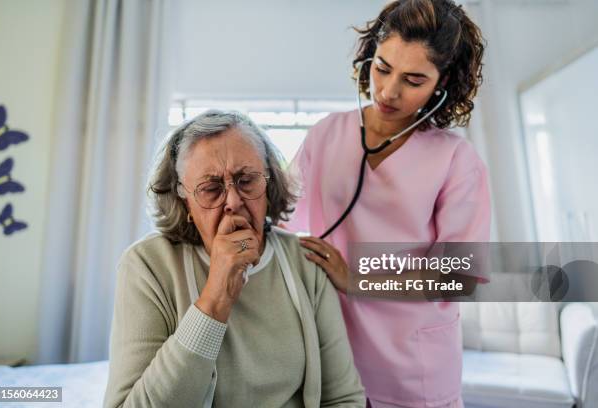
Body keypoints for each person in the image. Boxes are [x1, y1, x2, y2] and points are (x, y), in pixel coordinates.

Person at [286, 1, 490, 407]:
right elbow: (280, 218)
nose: (388, 91)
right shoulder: (327, 135)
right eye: (382, 68)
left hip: (414, 368)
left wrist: (356, 279)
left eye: (414, 80)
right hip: (335, 358)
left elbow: (458, 278)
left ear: (442, 81)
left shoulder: (456, 160)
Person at [103, 110, 365, 407]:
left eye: (246, 181)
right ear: (184, 200)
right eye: (211, 188)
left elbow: (344, 398)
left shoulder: (306, 262)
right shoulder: (147, 265)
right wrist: (215, 298)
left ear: (269, 185)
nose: (233, 201)